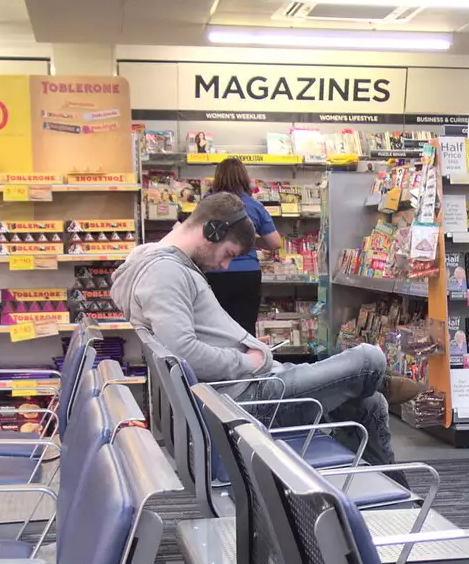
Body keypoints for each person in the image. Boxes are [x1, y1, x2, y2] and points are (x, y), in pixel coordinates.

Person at [112, 191, 423, 466]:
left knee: (369, 404)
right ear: (211, 230)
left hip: (245, 389)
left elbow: (188, 341)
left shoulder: (163, 266)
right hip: (247, 402)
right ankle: (374, 381)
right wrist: (246, 360)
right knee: (369, 359)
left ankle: (396, 501)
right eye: (229, 254)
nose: (224, 266)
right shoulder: (165, 273)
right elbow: (183, 352)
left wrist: (245, 346)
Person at [197, 157, 283, 335]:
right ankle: (247, 361)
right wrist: (249, 240)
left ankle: (220, 362)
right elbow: (275, 243)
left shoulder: (205, 204)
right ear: (244, 178)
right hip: (247, 274)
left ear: (218, 178)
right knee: (245, 331)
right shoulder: (254, 205)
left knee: (213, 330)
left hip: (213, 273)